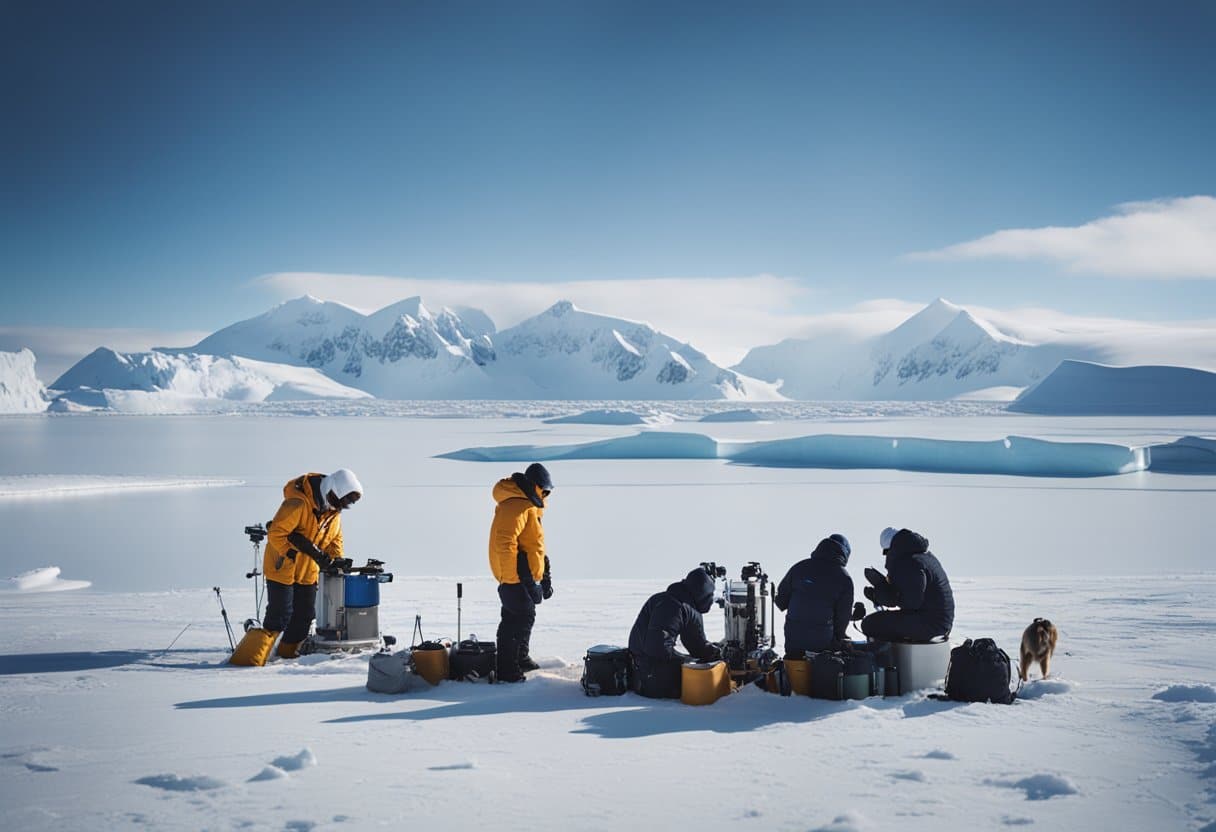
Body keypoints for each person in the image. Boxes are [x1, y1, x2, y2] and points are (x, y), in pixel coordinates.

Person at [231, 469, 361, 666]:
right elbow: (276, 533)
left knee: (305, 615)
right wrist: (292, 553)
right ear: (331, 491)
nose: (340, 507)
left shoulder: (333, 514)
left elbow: (335, 540)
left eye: (344, 505)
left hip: (308, 570)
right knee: (280, 615)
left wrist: (336, 560)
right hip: (282, 566)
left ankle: (286, 655)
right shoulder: (298, 503)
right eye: (339, 502)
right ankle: (249, 660)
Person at [488, 462, 555, 682]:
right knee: (515, 620)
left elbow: (533, 545)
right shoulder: (515, 506)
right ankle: (507, 670)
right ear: (534, 485)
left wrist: (543, 575)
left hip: (523, 577)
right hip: (513, 577)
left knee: (525, 616)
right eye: (543, 489)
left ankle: (521, 658)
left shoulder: (529, 507)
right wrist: (519, 579)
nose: (545, 494)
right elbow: (505, 543)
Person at [627, 567, 721, 699]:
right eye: (710, 596)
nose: (711, 601)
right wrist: (688, 661)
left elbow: (696, 643)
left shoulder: (688, 607)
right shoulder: (670, 605)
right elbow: (657, 648)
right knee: (698, 681)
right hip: (648, 674)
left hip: (654, 667)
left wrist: (716, 653)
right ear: (702, 594)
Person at [861, 527, 954, 643]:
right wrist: (880, 594)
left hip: (931, 624)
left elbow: (911, 602)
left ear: (892, 548)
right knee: (883, 621)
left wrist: (883, 592)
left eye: (886, 552)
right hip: (940, 621)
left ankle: (886, 657)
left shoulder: (909, 562)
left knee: (870, 624)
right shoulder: (923, 556)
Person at [774, 533, 855, 657]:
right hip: (823, 644)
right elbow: (842, 618)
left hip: (793, 641)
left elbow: (780, 602)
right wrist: (838, 640)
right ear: (845, 554)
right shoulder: (844, 578)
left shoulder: (799, 568)